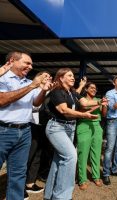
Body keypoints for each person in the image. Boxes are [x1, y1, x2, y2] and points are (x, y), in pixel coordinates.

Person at [44, 68, 107, 200]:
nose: (73, 78)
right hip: (57, 127)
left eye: (73, 76)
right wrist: (83, 115)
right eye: (70, 75)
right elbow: (63, 110)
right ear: (61, 78)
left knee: (58, 160)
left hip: (69, 128)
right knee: (71, 156)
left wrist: (100, 101)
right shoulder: (56, 91)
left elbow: (84, 102)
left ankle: (49, 194)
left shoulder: (72, 92)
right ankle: (62, 197)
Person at [0, 51, 52, 200]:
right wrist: (33, 86)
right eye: (27, 63)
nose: (30, 66)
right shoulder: (2, 78)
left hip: (24, 131)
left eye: (31, 64)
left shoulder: (29, 82)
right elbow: (2, 100)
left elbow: (36, 103)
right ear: (12, 61)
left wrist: (43, 90)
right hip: (3, 130)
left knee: (18, 172)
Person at [25, 71, 52, 197]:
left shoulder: (49, 91)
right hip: (32, 125)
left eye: (49, 76)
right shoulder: (32, 88)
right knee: (28, 156)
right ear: (38, 77)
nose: (48, 78)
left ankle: (30, 183)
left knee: (37, 155)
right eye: (45, 76)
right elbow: (33, 106)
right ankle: (20, 185)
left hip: (43, 126)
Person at [76, 82, 108, 190]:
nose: (94, 89)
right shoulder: (81, 99)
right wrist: (98, 104)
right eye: (91, 87)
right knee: (83, 153)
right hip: (84, 125)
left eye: (95, 88)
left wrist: (104, 106)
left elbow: (104, 114)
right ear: (86, 89)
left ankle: (96, 176)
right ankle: (82, 179)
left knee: (96, 153)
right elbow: (80, 110)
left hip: (97, 126)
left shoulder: (99, 99)